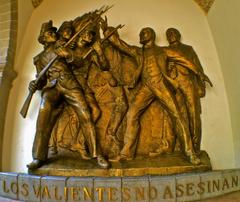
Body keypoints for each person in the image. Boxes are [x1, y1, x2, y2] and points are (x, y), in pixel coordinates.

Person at [102, 21, 201, 165]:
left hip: (161, 84)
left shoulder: (163, 51)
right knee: (131, 114)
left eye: (144, 32)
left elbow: (183, 60)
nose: (141, 34)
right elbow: (122, 45)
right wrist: (108, 32)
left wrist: (199, 73)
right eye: (141, 32)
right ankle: (126, 153)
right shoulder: (138, 51)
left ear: (152, 36)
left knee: (177, 115)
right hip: (146, 87)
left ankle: (190, 153)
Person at [27, 20, 109, 169]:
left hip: (70, 85)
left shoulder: (64, 46)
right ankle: (38, 157)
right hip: (53, 88)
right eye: (49, 33)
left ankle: (98, 155)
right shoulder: (39, 59)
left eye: (54, 32)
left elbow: (79, 62)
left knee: (86, 116)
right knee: (43, 112)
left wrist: (68, 55)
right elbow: (41, 79)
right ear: (43, 39)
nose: (53, 34)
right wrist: (34, 84)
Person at [164, 28, 212, 152]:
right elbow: (162, 70)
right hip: (174, 85)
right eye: (168, 34)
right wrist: (168, 68)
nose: (171, 35)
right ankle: (183, 145)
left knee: (193, 113)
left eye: (173, 33)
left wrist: (201, 85)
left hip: (188, 83)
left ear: (179, 35)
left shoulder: (188, 49)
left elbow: (197, 66)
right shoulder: (165, 51)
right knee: (177, 114)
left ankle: (195, 145)